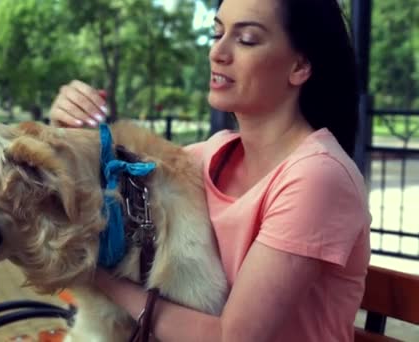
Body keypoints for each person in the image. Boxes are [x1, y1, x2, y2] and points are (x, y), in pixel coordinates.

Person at [48, 0, 371, 341]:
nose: (218, 52)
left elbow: (231, 338)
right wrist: (66, 127)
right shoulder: (206, 156)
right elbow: (95, 188)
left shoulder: (318, 178)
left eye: (246, 39)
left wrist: (98, 276)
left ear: (300, 65)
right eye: (217, 33)